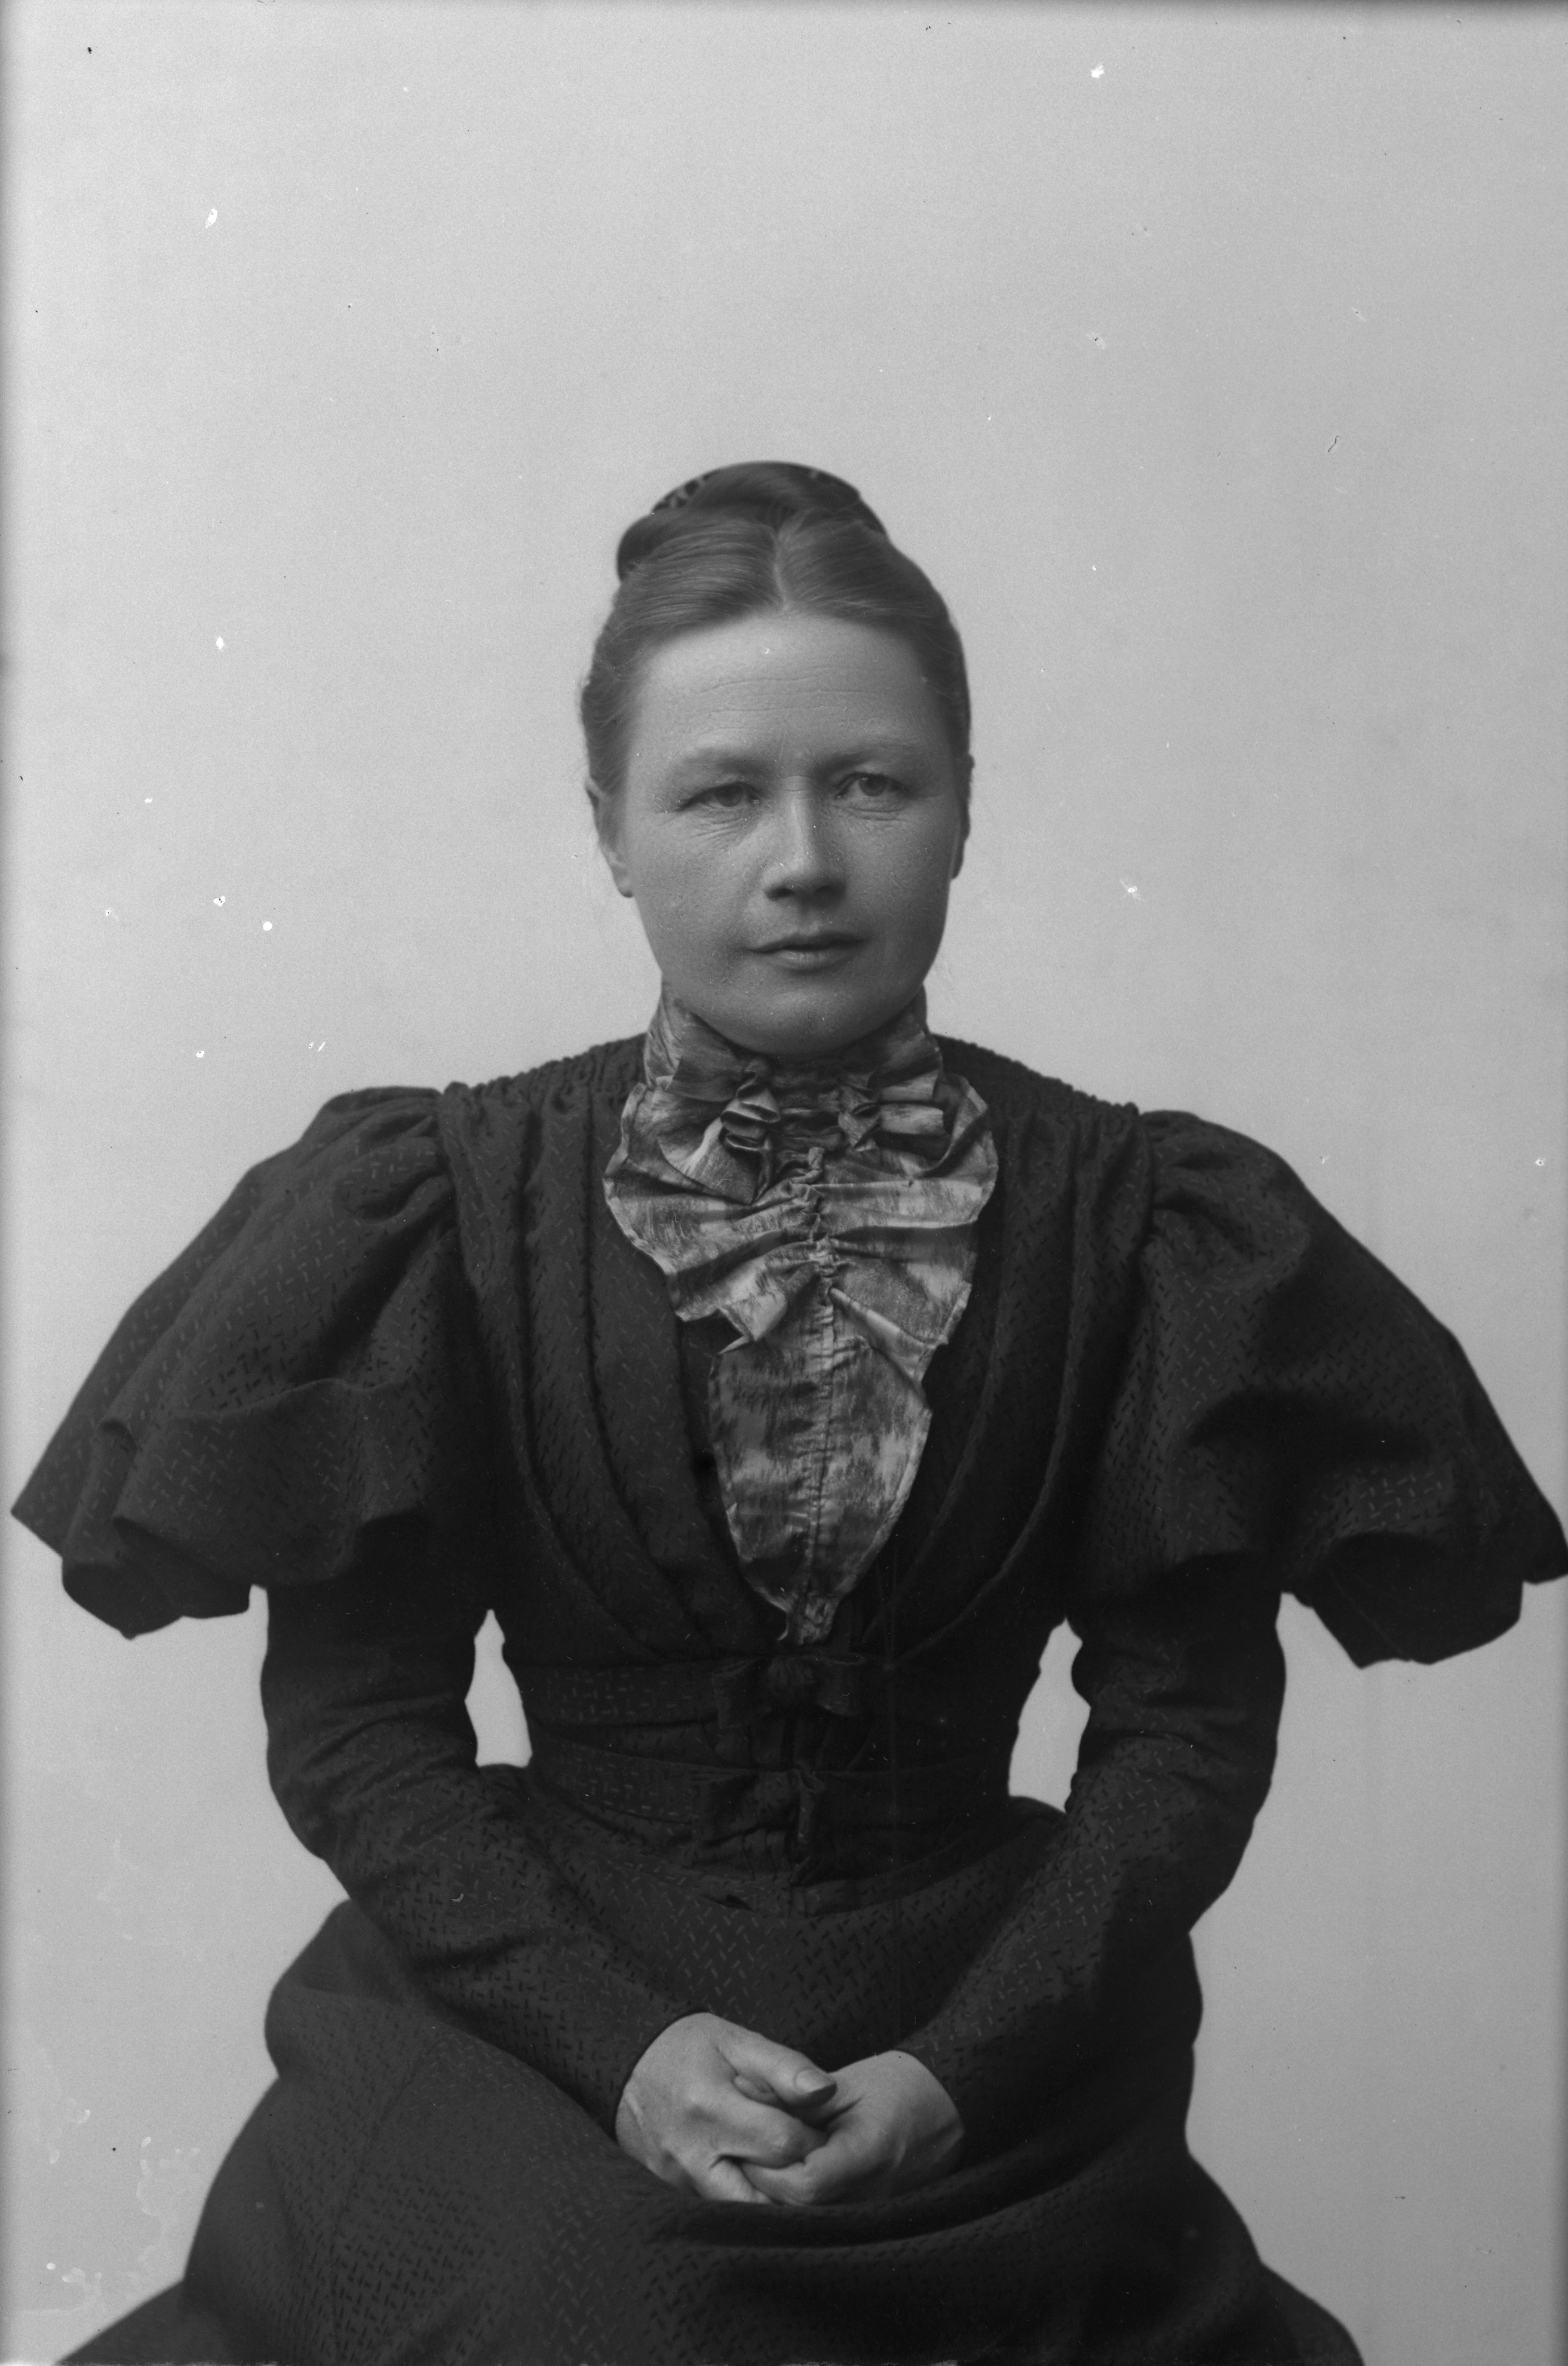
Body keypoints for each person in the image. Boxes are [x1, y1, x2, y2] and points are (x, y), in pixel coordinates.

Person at [15, 461, 1565, 2366]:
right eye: (721, 792)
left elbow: (1183, 1731)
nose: (805, 858)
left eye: (872, 784)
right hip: (529, 2013)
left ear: (964, 806)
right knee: (606, 2316)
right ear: (609, 827)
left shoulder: (1142, 1220)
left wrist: (961, 2068)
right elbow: (359, 1726)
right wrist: (623, 2049)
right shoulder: (447, 1202)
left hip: (981, 2030)